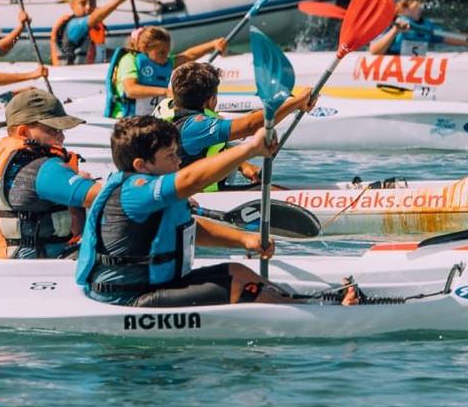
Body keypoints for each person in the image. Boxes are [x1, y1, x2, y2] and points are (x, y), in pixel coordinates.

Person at [77, 115, 343, 309]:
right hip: (128, 297)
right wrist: (249, 148)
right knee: (239, 285)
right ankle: (321, 311)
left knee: (238, 271)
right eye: (170, 155)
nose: (178, 161)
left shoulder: (150, 189)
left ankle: (309, 303)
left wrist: (243, 240)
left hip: (157, 285)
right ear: (142, 165)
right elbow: (192, 179)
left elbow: (186, 228)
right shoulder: (134, 190)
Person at [0, 88, 100, 260]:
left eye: (62, 130)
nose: (62, 136)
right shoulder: (39, 168)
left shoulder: (5, 159)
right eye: (53, 129)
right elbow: (106, 197)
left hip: (10, 259)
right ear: (23, 132)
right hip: (40, 266)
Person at [160, 59, 313, 191]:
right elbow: (251, 126)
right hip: (198, 197)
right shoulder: (195, 126)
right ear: (210, 100)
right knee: (276, 192)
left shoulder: (167, 106)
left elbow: (209, 145)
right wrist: (297, 102)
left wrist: (243, 165)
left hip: (183, 187)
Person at [107, 26, 227, 118]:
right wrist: (165, 92)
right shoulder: (129, 60)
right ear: (144, 49)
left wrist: (213, 44)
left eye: (167, 52)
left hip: (150, 118)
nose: (166, 56)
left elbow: (189, 55)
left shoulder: (164, 62)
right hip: (125, 118)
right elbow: (130, 90)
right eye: (161, 52)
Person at [369, 0, 468, 56]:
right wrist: (394, 31)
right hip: (388, 68)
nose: (421, 3)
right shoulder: (388, 25)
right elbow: (374, 51)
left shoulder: (426, 26)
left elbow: (451, 37)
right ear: (403, 5)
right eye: (417, 0)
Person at [50, 0, 134, 64]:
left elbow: (101, 54)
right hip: (72, 76)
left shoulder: (94, 28)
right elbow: (95, 18)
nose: (88, 7)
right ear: (72, 5)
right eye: (83, 3)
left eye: (92, 3)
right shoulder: (73, 26)